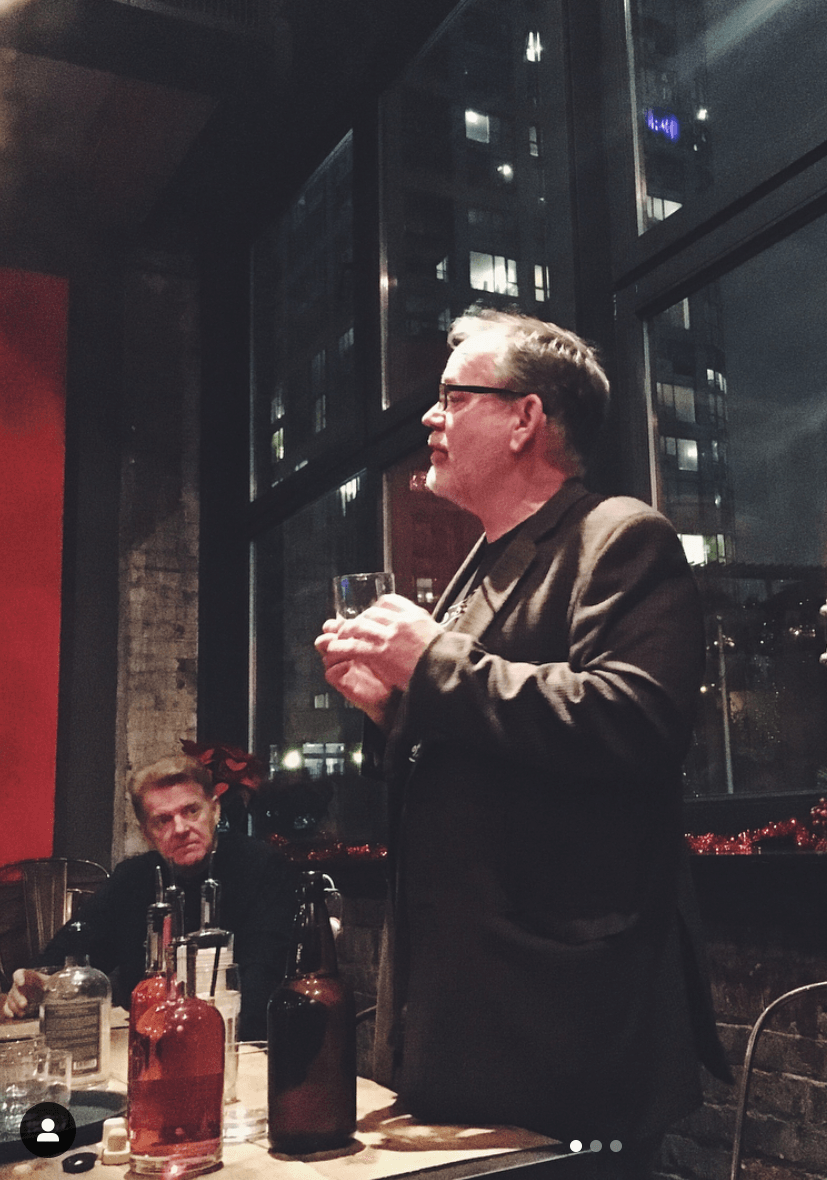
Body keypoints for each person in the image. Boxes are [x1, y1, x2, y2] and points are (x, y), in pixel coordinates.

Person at [316, 309, 730, 1167]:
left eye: (451, 396)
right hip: (456, 1017)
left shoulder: (619, 536)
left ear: (524, 418)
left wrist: (430, 665)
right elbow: (479, 749)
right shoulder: (476, 562)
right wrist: (391, 710)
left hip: (562, 1024)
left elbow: (635, 720)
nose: (429, 418)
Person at [1, 754, 296, 1039]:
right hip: (150, 1044)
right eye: (163, 820)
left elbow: (262, 986)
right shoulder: (132, 878)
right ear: (146, 832)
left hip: (238, 1043)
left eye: (191, 811)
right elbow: (67, 959)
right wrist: (37, 984)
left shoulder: (260, 866)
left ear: (215, 810)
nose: (180, 828)